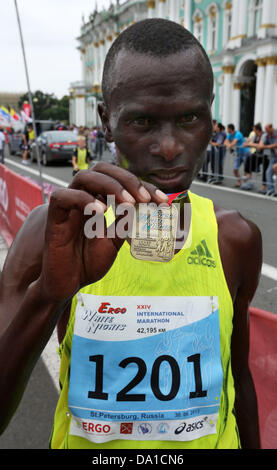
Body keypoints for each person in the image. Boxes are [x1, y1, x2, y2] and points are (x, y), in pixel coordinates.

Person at [0, 19, 261, 450]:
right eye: (142, 121)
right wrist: (47, 297)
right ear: (106, 120)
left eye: (190, 117)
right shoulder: (49, 232)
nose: (170, 147)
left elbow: (240, 379)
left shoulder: (236, 236)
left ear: (211, 117)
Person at [243, 124, 268, 194]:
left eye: (254, 130)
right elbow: (246, 144)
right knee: (249, 160)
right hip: (258, 154)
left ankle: (264, 187)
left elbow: (260, 146)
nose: (253, 132)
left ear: (258, 130)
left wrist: (251, 144)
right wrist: (253, 144)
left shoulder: (264, 135)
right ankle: (248, 180)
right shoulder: (255, 136)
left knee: (265, 171)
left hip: (266, 155)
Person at [258, 124, 277, 196]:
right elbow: (261, 145)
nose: (266, 132)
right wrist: (261, 144)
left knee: (275, 169)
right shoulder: (267, 135)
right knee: (268, 172)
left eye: (267, 130)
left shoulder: (276, 133)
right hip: (273, 157)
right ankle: (271, 190)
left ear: (271, 128)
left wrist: (266, 146)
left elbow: (275, 144)